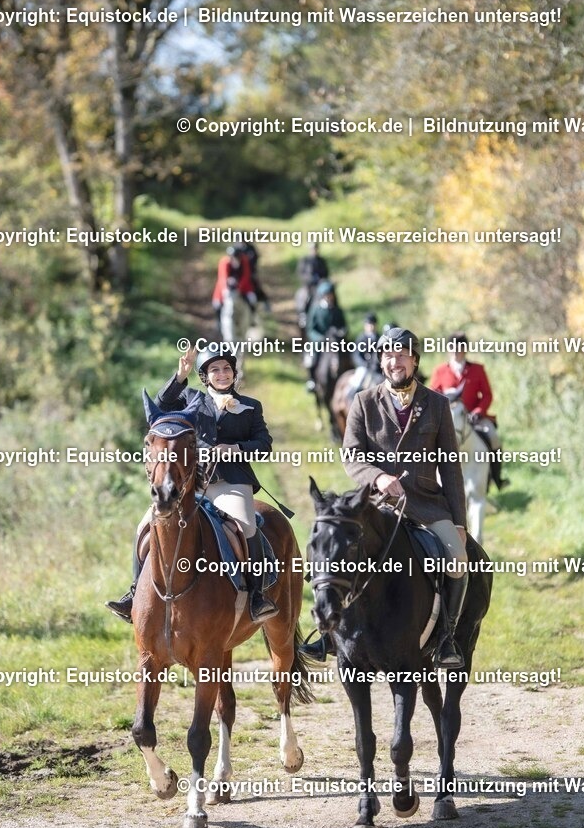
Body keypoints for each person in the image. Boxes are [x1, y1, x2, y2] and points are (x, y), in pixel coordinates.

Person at [303, 327, 469, 668]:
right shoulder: (363, 402)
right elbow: (351, 455)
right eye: (388, 355)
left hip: (426, 505)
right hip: (375, 506)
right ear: (381, 360)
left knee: (457, 561)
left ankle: (447, 638)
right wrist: (377, 477)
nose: (395, 362)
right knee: (335, 551)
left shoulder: (437, 405)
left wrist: (459, 522)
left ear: (415, 360)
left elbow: (451, 469)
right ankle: (330, 634)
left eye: (402, 355)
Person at [106, 343, 277, 625]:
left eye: (226, 369)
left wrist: (234, 448)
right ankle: (135, 592)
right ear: (205, 376)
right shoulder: (190, 399)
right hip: (189, 484)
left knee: (246, 525)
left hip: (230, 482)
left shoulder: (250, 407)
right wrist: (180, 375)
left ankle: (256, 597)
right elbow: (159, 407)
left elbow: (264, 445)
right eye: (214, 370)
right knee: (144, 526)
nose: (222, 374)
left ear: (234, 373)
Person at [430, 332, 508, 490]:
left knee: (493, 437)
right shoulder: (440, 371)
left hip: (475, 418)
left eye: (458, 349)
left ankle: (496, 478)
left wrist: (479, 411)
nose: (455, 352)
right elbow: (433, 396)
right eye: (451, 348)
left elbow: (487, 394)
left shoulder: (477, 369)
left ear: (464, 350)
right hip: (449, 419)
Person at [304, 280, 347, 391]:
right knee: (311, 358)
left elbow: (344, 326)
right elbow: (311, 329)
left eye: (331, 295)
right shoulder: (316, 310)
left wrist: (341, 332)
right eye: (327, 295)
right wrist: (320, 338)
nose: (329, 297)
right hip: (320, 342)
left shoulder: (337, 310)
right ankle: (312, 380)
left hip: (336, 341)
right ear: (323, 296)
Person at [212, 246, 257, 328]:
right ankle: (218, 323)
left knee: (252, 299)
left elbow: (246, 276)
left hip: (243, 288)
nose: (234, 260)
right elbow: (223, 277)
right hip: (225, 289)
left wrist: (239, 288)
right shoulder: (224, 262)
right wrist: (226, 289)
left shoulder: (244, 261)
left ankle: (252, 318)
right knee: (217, 304)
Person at [348, 313, 383, 398]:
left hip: (377, 368)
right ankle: (352, 397)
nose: (371, 327)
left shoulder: (380, 338)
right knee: (359, 380)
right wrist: (364, 363)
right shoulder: (361, 338)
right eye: (369, 324)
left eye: (373, 324)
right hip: (364, 367)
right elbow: (356, 355)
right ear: (365, 326)